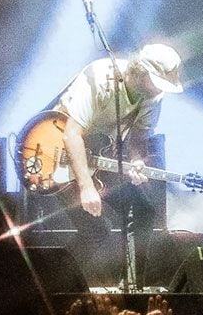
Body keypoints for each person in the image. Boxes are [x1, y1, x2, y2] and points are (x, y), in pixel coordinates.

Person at [52, 42, 184, 281]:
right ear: (140, 72)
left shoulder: (152, 97)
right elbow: (72, 134)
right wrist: (86, 187)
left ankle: (132, 285)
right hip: (59, 154)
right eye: (155, 83)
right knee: (96, 229)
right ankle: (52, 283)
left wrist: (136, 160)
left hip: (98, 156)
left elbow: (139, 135)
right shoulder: (99, 79)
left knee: (143, 207)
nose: (158, 91)